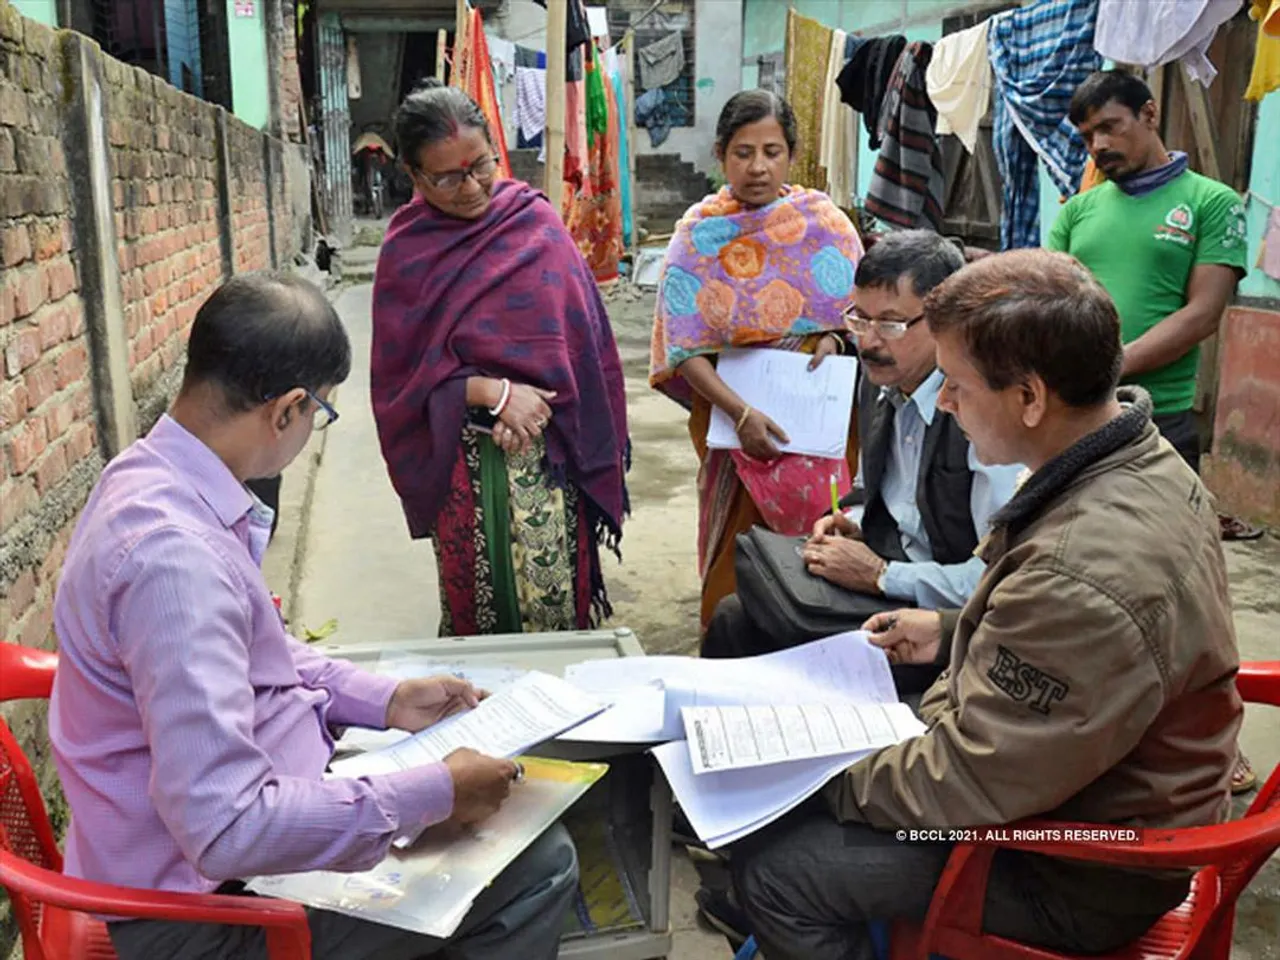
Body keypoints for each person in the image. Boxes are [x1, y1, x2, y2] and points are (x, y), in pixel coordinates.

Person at [704, 250, 1243, 959]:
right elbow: (1087, 653)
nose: (947, 402)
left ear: (1029, 397)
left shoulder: (1083, 570)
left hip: (1079, 859)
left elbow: (967, 778)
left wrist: (812, 774)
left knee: (779, 869)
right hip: (1074, 784)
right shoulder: (1133, 454)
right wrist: (955, 626)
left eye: (956, 385)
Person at [48, 273, 578, 960]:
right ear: (288, 409)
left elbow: (251, 644)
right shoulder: (173, 561)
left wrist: (382, 699)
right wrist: (430, 793)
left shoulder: (154, 474)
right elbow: (227, 826)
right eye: (320, 413)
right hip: (202, 910)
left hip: (218, 840)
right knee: (538, 866)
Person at [700, 231, 1024, 688]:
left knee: (761, 635)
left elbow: (999, 578)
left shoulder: (983, 412)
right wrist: (850, 518)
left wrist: (881, 576)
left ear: (946, 323)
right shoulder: (880, 378)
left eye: (890, 324)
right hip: (894, 567)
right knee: (737, 613)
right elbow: (870, 487)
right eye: (859, 319)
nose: (869, 341)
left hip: (947, 616)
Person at [371, 80, 629, 637]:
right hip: (461, 462)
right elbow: (397, 384)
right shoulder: (406, 251)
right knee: (478, 621)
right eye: (445, 177)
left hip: (553, 451)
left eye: (480, 166)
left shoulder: (534, 222)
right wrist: (490, 393)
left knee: (558, 617)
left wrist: (537, 406)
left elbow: (584, 344)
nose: (470, 188)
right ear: (414, 177)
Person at [648, 89, 866, 633]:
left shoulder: (826, 224)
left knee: (823, 539)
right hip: (732, 422)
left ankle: (817, 644)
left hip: (816, 423)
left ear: (792, 154)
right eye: (743, 152)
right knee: (737, 549)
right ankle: (729, 646)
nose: (758, 167)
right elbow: (683, 350)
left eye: (772, 151)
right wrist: (741, 414)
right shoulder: (697, 235)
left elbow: (859, 319)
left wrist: (834, 342)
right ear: (721, 155)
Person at [1047, 71, 1261, 543]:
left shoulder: (1211, 202)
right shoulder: (1078, 210)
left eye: (1110, 127)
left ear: (1149, 114)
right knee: (1074, 554)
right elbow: (1051, 302)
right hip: (1076, 415)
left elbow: (1202, 313)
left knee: (1158, 560)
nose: (1098, 145)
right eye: (1087, 136)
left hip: (1158, 418)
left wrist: (1110, 366)